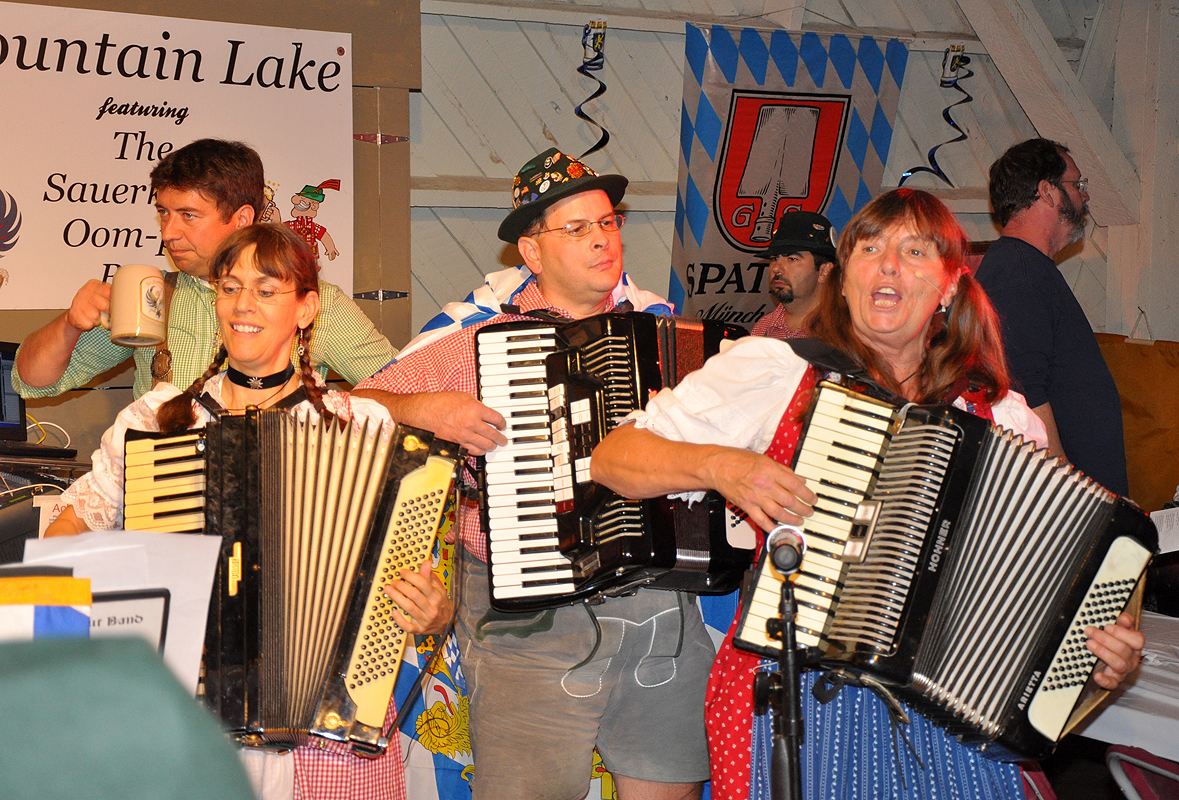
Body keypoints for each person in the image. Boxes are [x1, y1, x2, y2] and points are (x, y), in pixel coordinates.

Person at [592, 188, 1145, 800]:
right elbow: (615, 459)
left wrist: (1095, 663)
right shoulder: (778, 370)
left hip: (951, 720)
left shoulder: (998, 415)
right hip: (799, 698)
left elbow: (1053, 589)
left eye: (914, 251)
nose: (887, 265)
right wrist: (724, 467)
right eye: (869, 248)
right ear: (844, 279)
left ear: (950, 287)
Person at [45, 223, 450, 800]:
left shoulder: (360, 427)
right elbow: (73, 522)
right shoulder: (161, 421)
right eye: (230, 287)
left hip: (324, 727)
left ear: (306, 309)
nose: (243, 304)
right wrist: (69, 608)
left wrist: (432, 611)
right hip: (190, 716)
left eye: (266, 289)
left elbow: (412, 586)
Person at [354, 148, 711, 800]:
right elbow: (353, 409)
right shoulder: (473, 336)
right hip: (529, 619)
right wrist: (424, 408)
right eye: (576, 229)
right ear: (532, 252)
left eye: (607, 222)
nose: (602, 239)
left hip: (660, 605)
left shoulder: (664, 329)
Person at [13, 139, 395, 401]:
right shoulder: (151, 293)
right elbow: (32, 381)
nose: (168, 232)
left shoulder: (310, 303)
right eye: (163, 212)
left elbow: (403, 392)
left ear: (242, 218)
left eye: (188, 216)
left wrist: (336, 419)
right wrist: (68, 324)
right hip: (161, 503)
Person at [975, 138, 1129, 495]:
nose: (1084, 196)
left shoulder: (1026, 268)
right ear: (1047, 192)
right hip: (1068, 507)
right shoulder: (1018, 275)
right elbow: (1025, 396)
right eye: (1077, 185)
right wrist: (1071, 497)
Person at [749, 210, 837, 340]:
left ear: (824, 271)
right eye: (774, 258)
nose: (777, 268)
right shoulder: (763, 328)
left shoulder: (844, 331)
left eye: (792, 259)